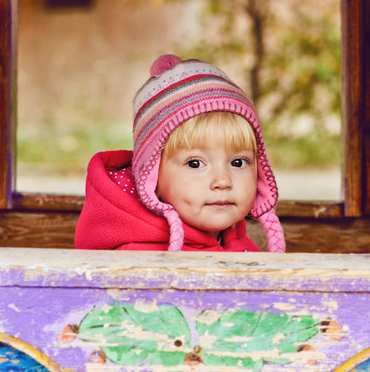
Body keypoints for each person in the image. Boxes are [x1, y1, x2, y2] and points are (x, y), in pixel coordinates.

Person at [75, 54, 285, 252]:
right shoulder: (137, 259)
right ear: (153, 176)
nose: (222, 181)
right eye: (195, 163)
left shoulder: (238, 244)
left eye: (238, 162)